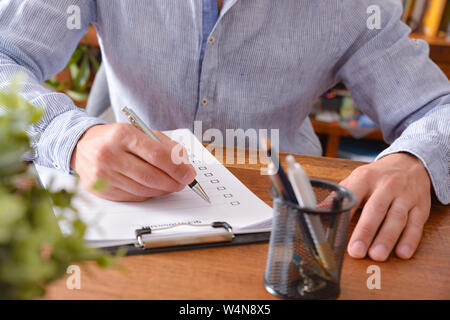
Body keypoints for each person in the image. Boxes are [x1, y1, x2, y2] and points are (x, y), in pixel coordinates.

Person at [0, 0, 448, 262]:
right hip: (128, 211)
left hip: (281, 224)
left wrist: (415, 162)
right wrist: (69, 135)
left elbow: (438, 107)